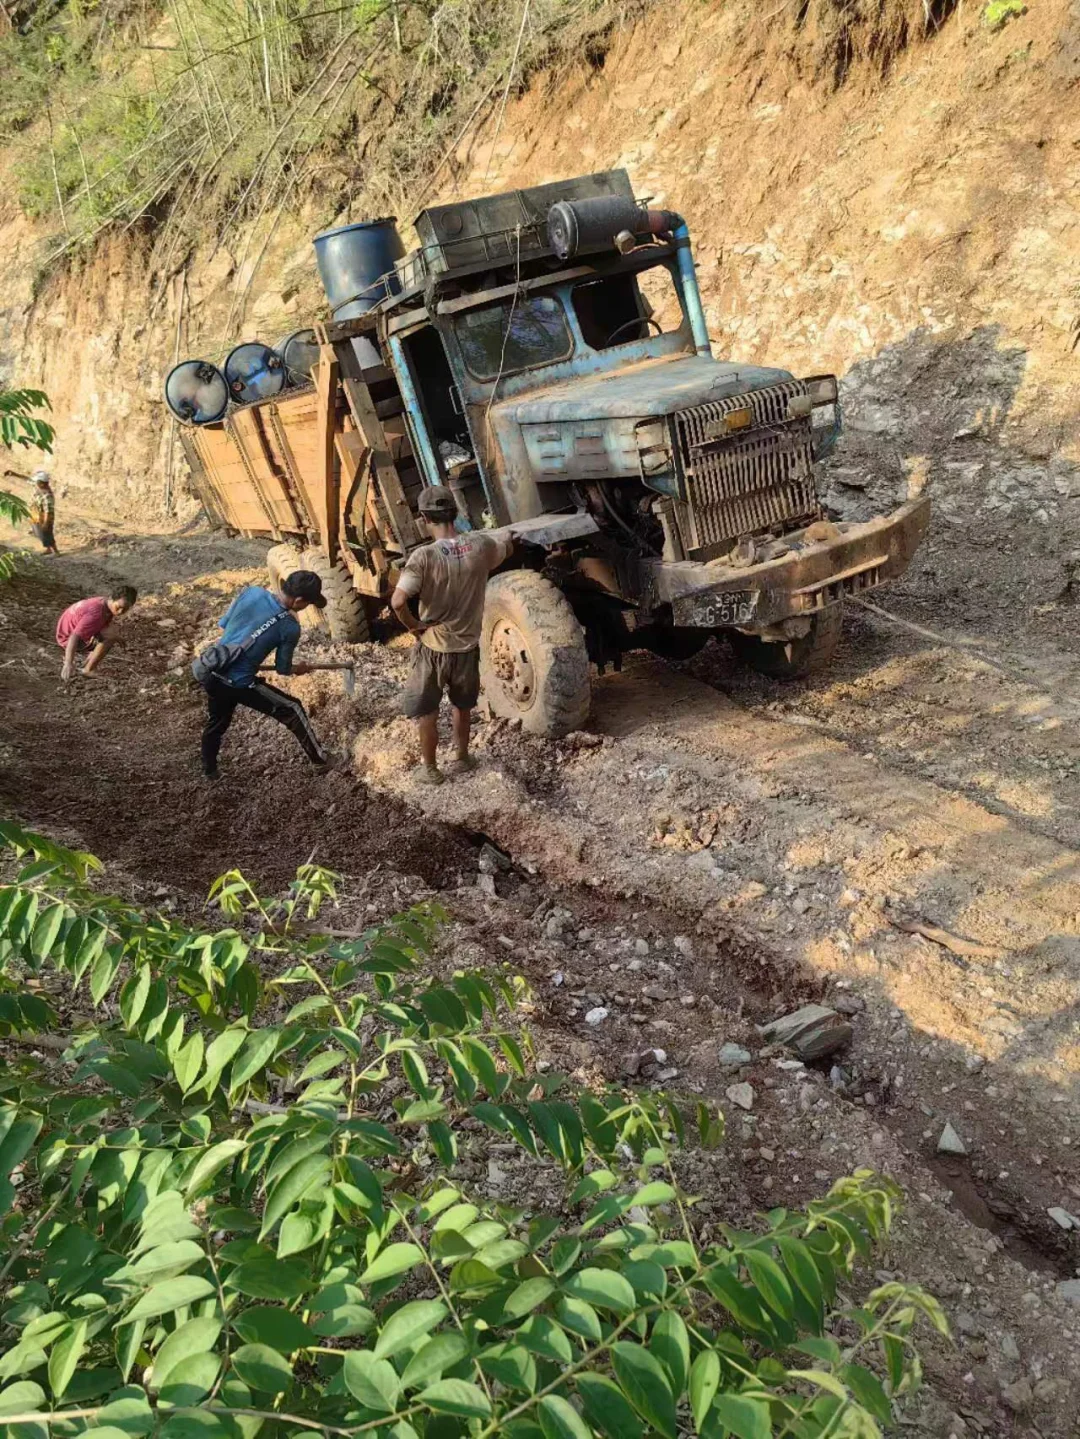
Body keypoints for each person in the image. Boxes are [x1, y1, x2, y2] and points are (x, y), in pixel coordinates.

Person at [391, 486, 512, 785]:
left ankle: (430, 769)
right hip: (467, 647)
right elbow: (504, 544)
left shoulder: (423, 557)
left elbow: (396, 601)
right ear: (455, 513)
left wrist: (413, 626)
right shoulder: (480, 547)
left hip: (434, 646)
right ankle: (462, 757)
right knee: (463, 705)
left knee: (428, 710)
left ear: (423, 518)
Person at [198, 570, 329, 781]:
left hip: (213, 672)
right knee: (292, 708)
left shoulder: (251, 593)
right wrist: (300, 669)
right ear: (299, 601)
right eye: (308, 604)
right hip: (239, 684)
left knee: (217, 723)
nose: (306, 607)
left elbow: (225, 626)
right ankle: (321, 761)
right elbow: (283, 669)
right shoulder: (289, 626)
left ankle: (209, 770)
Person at [56, 585, 137, 682]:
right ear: (112, 598)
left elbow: (104, 625)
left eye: (125, 609)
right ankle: (88, 670)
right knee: (109, 637)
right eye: (119, 607)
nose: (120, 612)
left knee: (112, 632)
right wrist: (68, 663)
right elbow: (74, 636)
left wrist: (117, 637)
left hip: (72, 631)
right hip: (67, 638)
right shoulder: (96, 614)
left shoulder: (104, 602)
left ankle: (86, 664)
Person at [29, 471, 57, 555]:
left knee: (47, 533)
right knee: (40, 533)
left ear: (42, 484)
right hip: (37, 515)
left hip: (44, 517)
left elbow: (48, 511)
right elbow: (28, 480)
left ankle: (56, 551)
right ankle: (48, 549)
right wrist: (14, 474)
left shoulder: (47, 495)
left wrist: (45, 522)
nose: (35, 483)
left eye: (37, 482)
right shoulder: (39, 488)